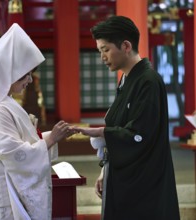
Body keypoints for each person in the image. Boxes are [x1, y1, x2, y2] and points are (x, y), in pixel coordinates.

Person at [0, 23, 74, 220]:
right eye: (25, 75)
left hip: (5, 191)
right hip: (4, 195)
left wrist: (49, 135)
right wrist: (50, 139)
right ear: (8, 75)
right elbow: (14, 154)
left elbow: (15, 145)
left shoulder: (1, 103)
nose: (30, 80)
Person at [74, 16, 180, 220]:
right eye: (100, 51)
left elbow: (140, 134)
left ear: (126, 45)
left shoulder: (148, 81)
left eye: (105, 49)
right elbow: (122, 128)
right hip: (126, 177)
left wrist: (102, 132)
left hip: (145, 183)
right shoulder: (128, 79)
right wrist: (106, 170)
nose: (102, 57)